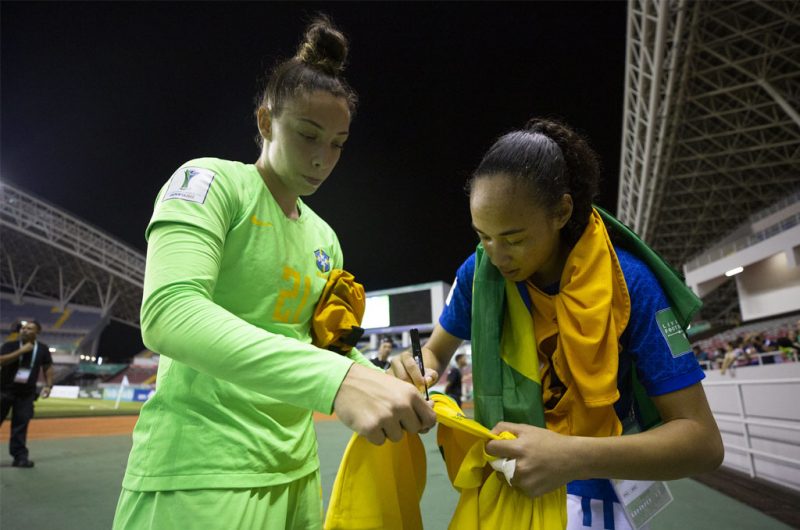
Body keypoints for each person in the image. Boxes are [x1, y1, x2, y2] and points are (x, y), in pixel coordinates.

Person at [112, 16, 435, 530]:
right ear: (265, 122)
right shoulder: (209, 183)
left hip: (297, 473)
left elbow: (322, 346)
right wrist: (340, 379)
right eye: (308, 134)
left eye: (337, 143)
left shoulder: (326, 238)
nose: (322, 158)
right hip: (201, 472)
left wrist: (385, 377)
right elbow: (169, 314)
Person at [391, 118, 723, 529]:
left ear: (561, 211)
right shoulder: (479, 275)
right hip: (504, 491)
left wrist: (573, 456)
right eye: (483, 235)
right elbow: (435, 352)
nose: (496, 255)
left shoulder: (629, 284)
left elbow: (703, 442)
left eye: (513, 238)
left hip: (598, 503)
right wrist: (414, 365)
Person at [1, 320, 54, 468]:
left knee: (20, 426)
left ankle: (20, 457)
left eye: (29, 328)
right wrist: (21, 351)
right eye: (23, 328)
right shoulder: (9, 345)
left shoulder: (42, 349)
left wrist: (49, 385)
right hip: (4, 390)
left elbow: (48, 367)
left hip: (26, 394)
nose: (24, 330)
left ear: (37, 332)